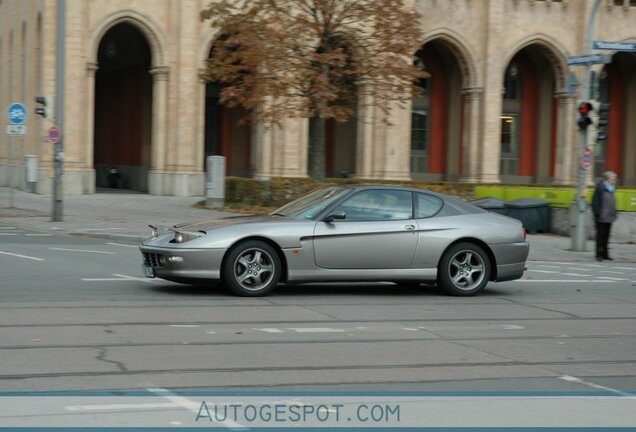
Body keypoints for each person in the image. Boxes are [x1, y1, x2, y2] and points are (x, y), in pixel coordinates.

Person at [591, 171, 618, 261]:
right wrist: (598, 214)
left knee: (606, 236)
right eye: (612, 179)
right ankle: (598, 254)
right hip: (601, 217)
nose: (614, 181)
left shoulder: (612, 188)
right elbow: (595, 202)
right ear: (607, 179)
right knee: (600, 237)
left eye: (614, 179)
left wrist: (614, 213)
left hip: (609, 217)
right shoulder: (600, 188)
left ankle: (605, 254)